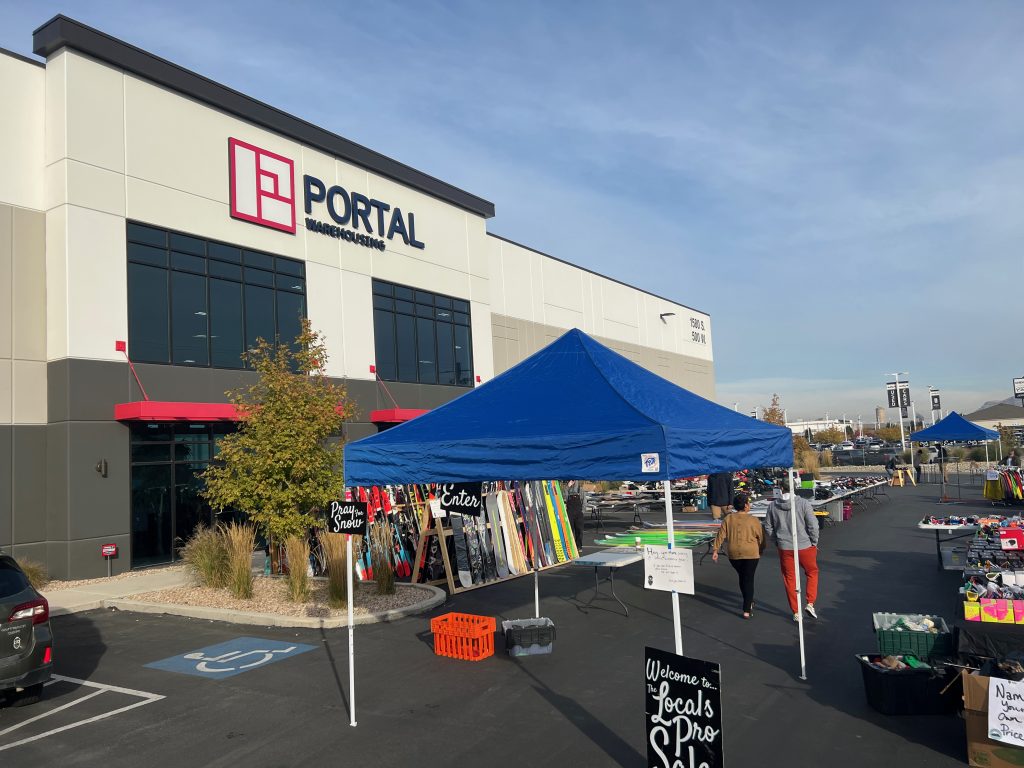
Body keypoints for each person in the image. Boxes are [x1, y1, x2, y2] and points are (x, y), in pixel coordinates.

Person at [765, 474, 820, 621]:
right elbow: (813, 525)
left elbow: (768, 527)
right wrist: (814, 542)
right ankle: (810, 602)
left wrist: (776, 541)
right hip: (804, 545)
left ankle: (796, 611)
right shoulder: (803, 503)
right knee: (812, 572)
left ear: (781, 489)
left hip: (785, 547)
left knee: (790, 579)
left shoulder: (772, 506)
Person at [711, 491, 765, 618]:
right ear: (746, 506)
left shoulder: (728, 519)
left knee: (743, 577)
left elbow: (721, 534)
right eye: (748, 503)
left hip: (734, 553)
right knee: (748, 579)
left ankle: (748, 600)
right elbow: (761, 537)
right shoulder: (754, 520)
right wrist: (761, 549)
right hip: (751, 553)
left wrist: (715, 550)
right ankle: (747, 608)